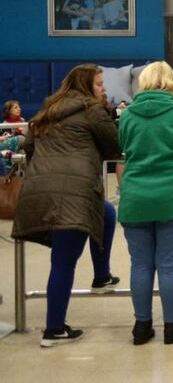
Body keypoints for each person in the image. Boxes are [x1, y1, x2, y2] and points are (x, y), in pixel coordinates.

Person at [11, 64, 122, 347]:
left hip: (39, 189)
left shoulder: (47, 111)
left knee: (107, 213)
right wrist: (109, 115)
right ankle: (54, 329)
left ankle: (102, 275)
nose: (104, 89)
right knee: (63, 262)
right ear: (86, 87)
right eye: (99, 84)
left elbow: (28, 146)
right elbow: (113, 147)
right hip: (75, 191)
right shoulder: (93, 110)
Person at [118, 62, 173, 345]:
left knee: (140, 265)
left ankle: (141, 327)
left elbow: (123, 147)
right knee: (169, 267)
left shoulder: (128, 114)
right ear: (172, 82)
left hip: (135, 198)